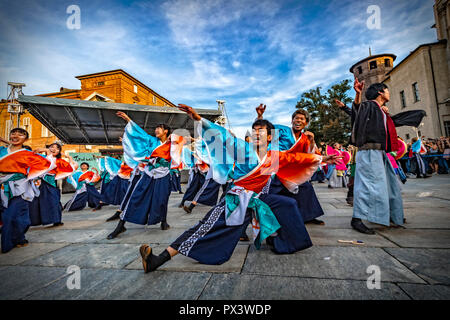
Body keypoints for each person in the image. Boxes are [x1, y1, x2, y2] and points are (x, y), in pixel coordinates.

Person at [138, 104, 341, 273]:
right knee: (204, 227)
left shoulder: (273, 157)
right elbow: (224, 137)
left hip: (258, 200)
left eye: (261, 132)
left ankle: (282, 241)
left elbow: (299, 158)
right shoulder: (244, 150)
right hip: (236, 200)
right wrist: (199, 119)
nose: (256, 134)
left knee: (287, 204)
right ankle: (158, 260)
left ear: (270, 137)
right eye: (254, 132)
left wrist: (323, 158)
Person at [106, 111, 185, 239]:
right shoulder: (152, 140)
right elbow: (140, 134)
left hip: (163, 175)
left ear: (166, 131)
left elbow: (182, 140)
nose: (156, 130)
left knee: (162, 199)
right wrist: (128, 120)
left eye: (159, 128)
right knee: (135, 197)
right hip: (148, 174)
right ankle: (121, 225)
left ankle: (163, 221)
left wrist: (174, 138)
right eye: (156, 128)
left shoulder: (172, 143)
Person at [255, 104, 326, 225]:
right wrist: (260, 116)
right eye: (296, 118)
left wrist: (312, 141)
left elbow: (309, 155)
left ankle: (308, 216)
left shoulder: (305, 138)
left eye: (302, 119)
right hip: (274, 165)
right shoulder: (282, 130)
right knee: (270, 191)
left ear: (306, 123)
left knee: (306, 187)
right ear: (292, 120)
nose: (298, 120)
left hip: (290, 169)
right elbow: (263, 131)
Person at [350, 83, 405, 234]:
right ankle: (357, 219)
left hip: (380, 152)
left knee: (389, 185)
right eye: (387, 90)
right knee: (368, 185)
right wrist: (358, 95)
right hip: (369, 151)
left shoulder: (379, 109)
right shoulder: (368, 105)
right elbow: (356, 111)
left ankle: (391, 214)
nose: (389, 93)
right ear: (380, 92)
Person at [0, 128, 54, 253]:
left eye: (20, 134)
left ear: (26, 139)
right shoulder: (2, 151)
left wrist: (46, 151)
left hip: (20, 187)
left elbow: (47, 165)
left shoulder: (28, 153)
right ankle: (19, 238)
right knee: (18, 217)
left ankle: (7, 244)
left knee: (9, 215)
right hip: (3, 186)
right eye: (13, 133)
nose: (16, 135)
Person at [29, 143, 78, 227]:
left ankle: (56, 220)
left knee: (54, 202)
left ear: (59, 151)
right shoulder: (42, 158)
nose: (54, 149)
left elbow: (71, 167)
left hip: (51, 183)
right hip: (37, 183)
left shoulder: (59, 161)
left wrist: (69, 157)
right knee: (37, 202)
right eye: (52, 147)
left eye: (57, 148)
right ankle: (35, 220)